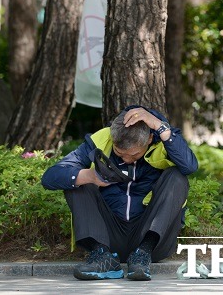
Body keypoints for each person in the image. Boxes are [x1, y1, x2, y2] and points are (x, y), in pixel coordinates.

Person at [42, 105, 199, 281]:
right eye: (120, 153)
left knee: (177, 177)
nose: (126, 159)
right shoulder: (102, 139)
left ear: (148, 139)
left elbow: (190, 166)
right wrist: (89, 175)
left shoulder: (164, 140)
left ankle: (142, 254)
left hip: (150, 240)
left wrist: (159, 125)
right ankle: (101, 256)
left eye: (134, 154)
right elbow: (49, 177)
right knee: (77, 179)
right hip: (108, 236)